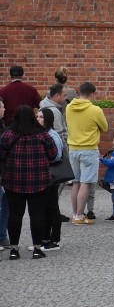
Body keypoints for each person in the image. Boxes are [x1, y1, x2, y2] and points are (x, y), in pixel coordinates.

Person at [0, 105, 58, 260]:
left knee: (15, 214)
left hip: (13, 180)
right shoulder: (42, 135)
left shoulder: (8, 135)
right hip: (39, 180)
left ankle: (14, 249)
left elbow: (2, 155)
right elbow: (53, 154)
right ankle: (37, 248)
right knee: (37, 214)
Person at [66, 82, 108, 225]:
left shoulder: (69, 107)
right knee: (85, 183)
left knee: (76, 182)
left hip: (73, 148)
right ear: (92, 94)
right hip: (89, 148)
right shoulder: (95, 110)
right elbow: (105, 127)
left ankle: (75, 214)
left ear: (79, 92)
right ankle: (79, 215)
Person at [36, 107, 64, 251]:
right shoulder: (41, 134)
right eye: (37, 116)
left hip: (52, 175)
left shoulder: (52, 135)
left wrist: (43, 160)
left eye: (40, 117)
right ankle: (44, 238)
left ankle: (55, 240)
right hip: (43, 175)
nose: (38, 119)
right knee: (44, 207)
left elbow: (58, 155)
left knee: (52, 207)